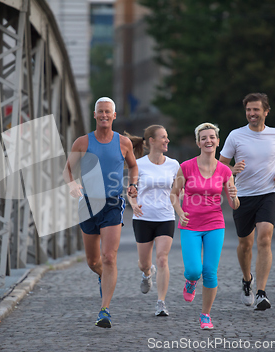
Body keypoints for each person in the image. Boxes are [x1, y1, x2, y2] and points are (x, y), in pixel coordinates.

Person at [62, 97, 138, 328]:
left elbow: (133, 165)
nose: (104, 115)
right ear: (94, 115)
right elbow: (67, 170)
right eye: (100, 112)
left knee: (109, 257)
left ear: (114, 116)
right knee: (93, 261)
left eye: (108, 112)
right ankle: (102, 277)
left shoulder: (124, 143)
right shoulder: (82, 142)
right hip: (88, 205)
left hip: (113, 204)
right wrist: (72, 184)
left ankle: (104, 310)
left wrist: (133, 184)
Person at [219, 92, 275, 311]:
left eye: (256, 109)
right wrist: (232, 170)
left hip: (269, 192)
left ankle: (261, 292)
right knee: (245, 244)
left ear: (266, 112)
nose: (251, 113)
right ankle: (246, 279)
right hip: (242, 196)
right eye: (248, 110)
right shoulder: (235, 136)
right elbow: (220, 166)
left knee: (265, 238)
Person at [170, 123, 240, 330]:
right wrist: (180, 213)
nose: (208, 141)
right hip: (190, 224)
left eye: (212, 137)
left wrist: (235, 197)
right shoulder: (186, 167)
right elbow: (174, 194)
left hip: (215, 224)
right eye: (204, 138)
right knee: (193, 270)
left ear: (218, 141)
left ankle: (206, 315)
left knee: (210, 271)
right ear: (198, 142)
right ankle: (191, 281)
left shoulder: (226, 171)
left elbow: (234, 205)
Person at [125, 126, 180, 317]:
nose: (167, 140)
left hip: (165, 217)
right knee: (143, 262)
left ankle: (161, 302)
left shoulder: (174, 165)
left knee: (163, 259)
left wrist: (180, 210)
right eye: (163, 137)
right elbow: (130, 190)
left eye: (167, 137)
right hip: (143, 218)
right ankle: (147, 273)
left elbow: (177, 192)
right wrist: (134, 204)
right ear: (151, 141)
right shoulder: (138, 164)